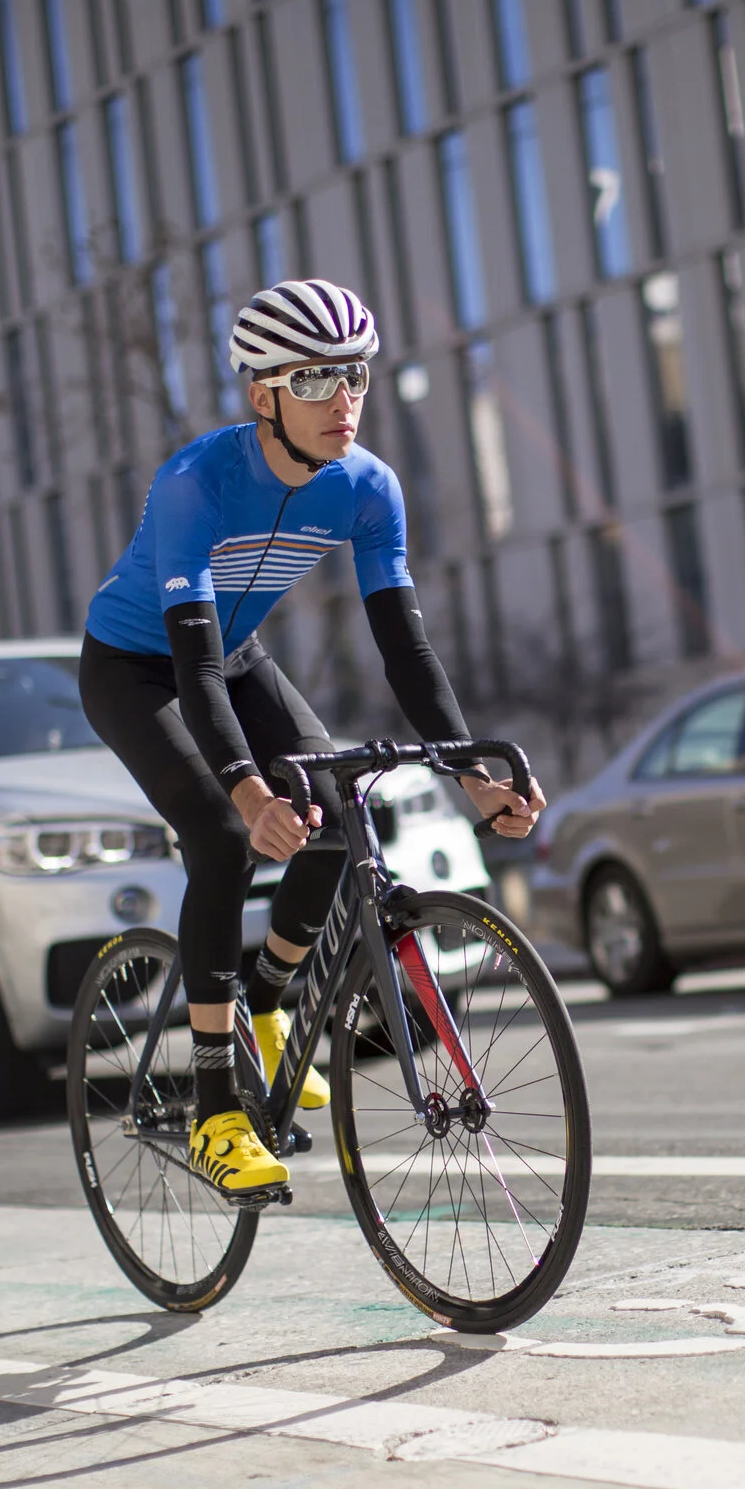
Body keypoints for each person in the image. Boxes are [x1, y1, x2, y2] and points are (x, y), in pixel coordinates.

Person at [78, 278, 542, 1197]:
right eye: (317, 378)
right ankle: (215, 1110)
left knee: (341, 812)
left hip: (236, 656)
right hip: (139, 667)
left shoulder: (368, 488)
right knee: (219, 836)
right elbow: (194, 673)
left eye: (357, 375)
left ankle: (267, 1000)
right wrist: (248, 793)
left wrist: (471, 774)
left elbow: (406, 648)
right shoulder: (194, 485)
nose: (344, 400)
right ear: (264, 395)